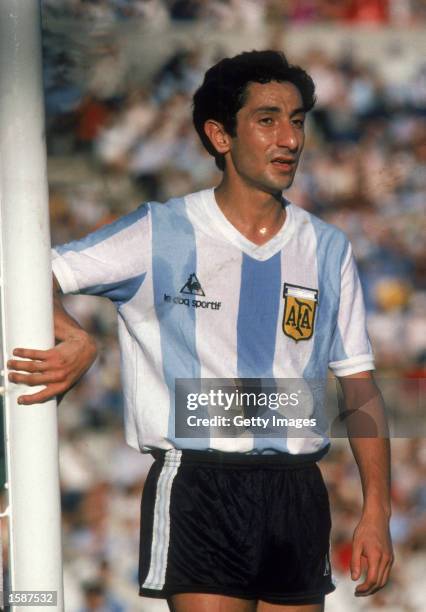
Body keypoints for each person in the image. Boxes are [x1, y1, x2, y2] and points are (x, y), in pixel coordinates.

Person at [7, 50, 393, 612]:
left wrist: (376, 511)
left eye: (297, 120)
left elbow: (359, 386)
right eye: (266, 120)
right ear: (220, 136)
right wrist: (75, 335)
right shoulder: (160, 231)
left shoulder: (327, 247)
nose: (289, 139)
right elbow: (27, 272)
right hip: (199, 482)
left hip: (297, 487)